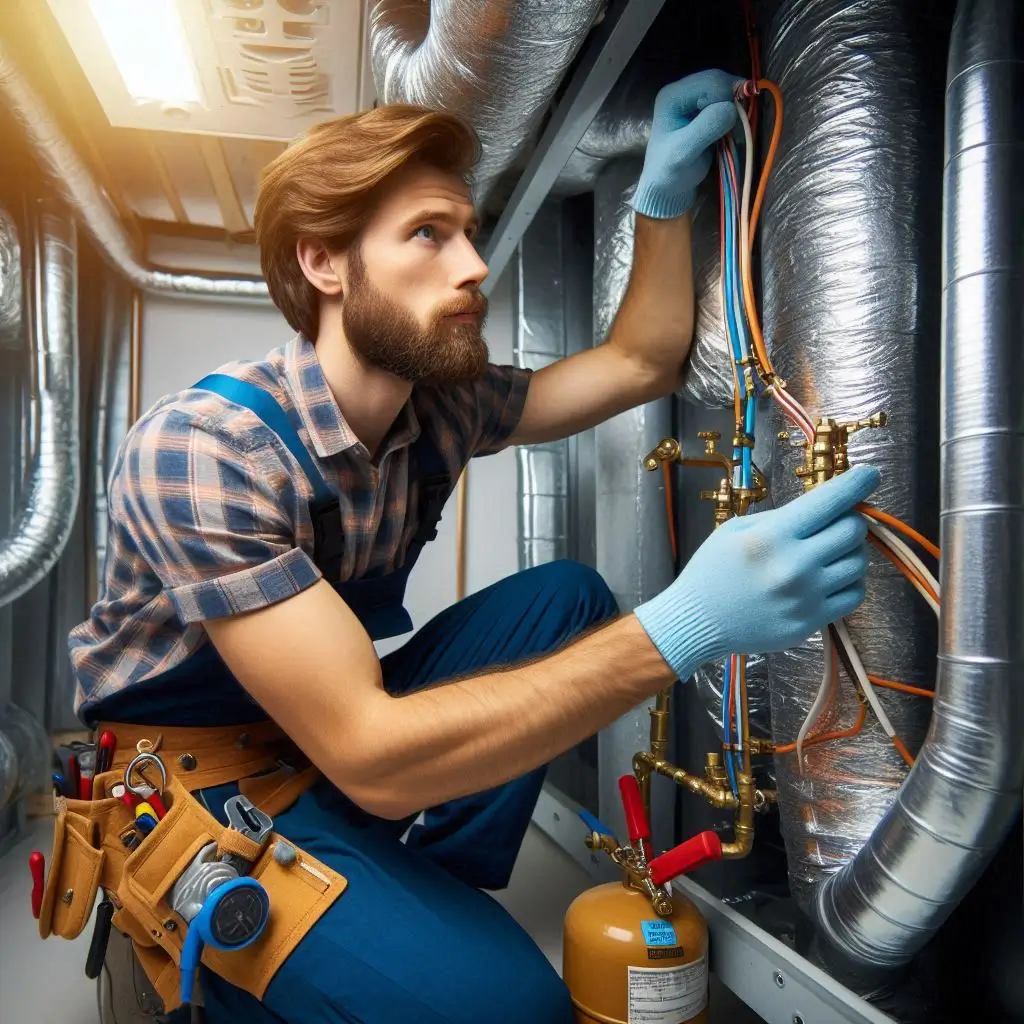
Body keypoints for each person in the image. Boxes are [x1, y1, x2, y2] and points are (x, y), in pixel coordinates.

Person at [67, 69, 879, 1022]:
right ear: (325, 264)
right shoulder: (206, 447)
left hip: (312, 738)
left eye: (469, 232)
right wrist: (684, 628)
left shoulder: (440, 403)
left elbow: (636, 363)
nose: (475, 265)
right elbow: (370, 753)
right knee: (513, 1009)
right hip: (203, 779)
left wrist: (662, 200)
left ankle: (413, 892)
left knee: (566, 600)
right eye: (428, 234)